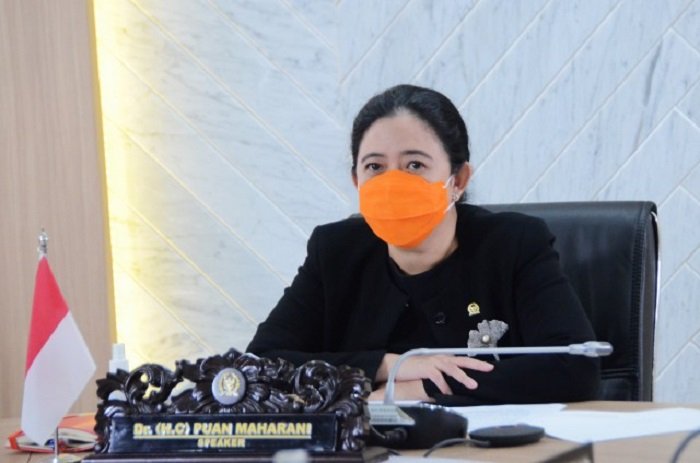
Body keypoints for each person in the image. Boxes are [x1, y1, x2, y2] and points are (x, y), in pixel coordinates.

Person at [247, 84, 600, 406]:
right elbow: (260, 365)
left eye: (414, 164)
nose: (392, 183)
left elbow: (575, 368)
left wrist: (420, 389)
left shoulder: (514, 243)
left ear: (458, 180)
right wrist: (392, 366)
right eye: (375, 167)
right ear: (356, 181)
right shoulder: (335, 252)